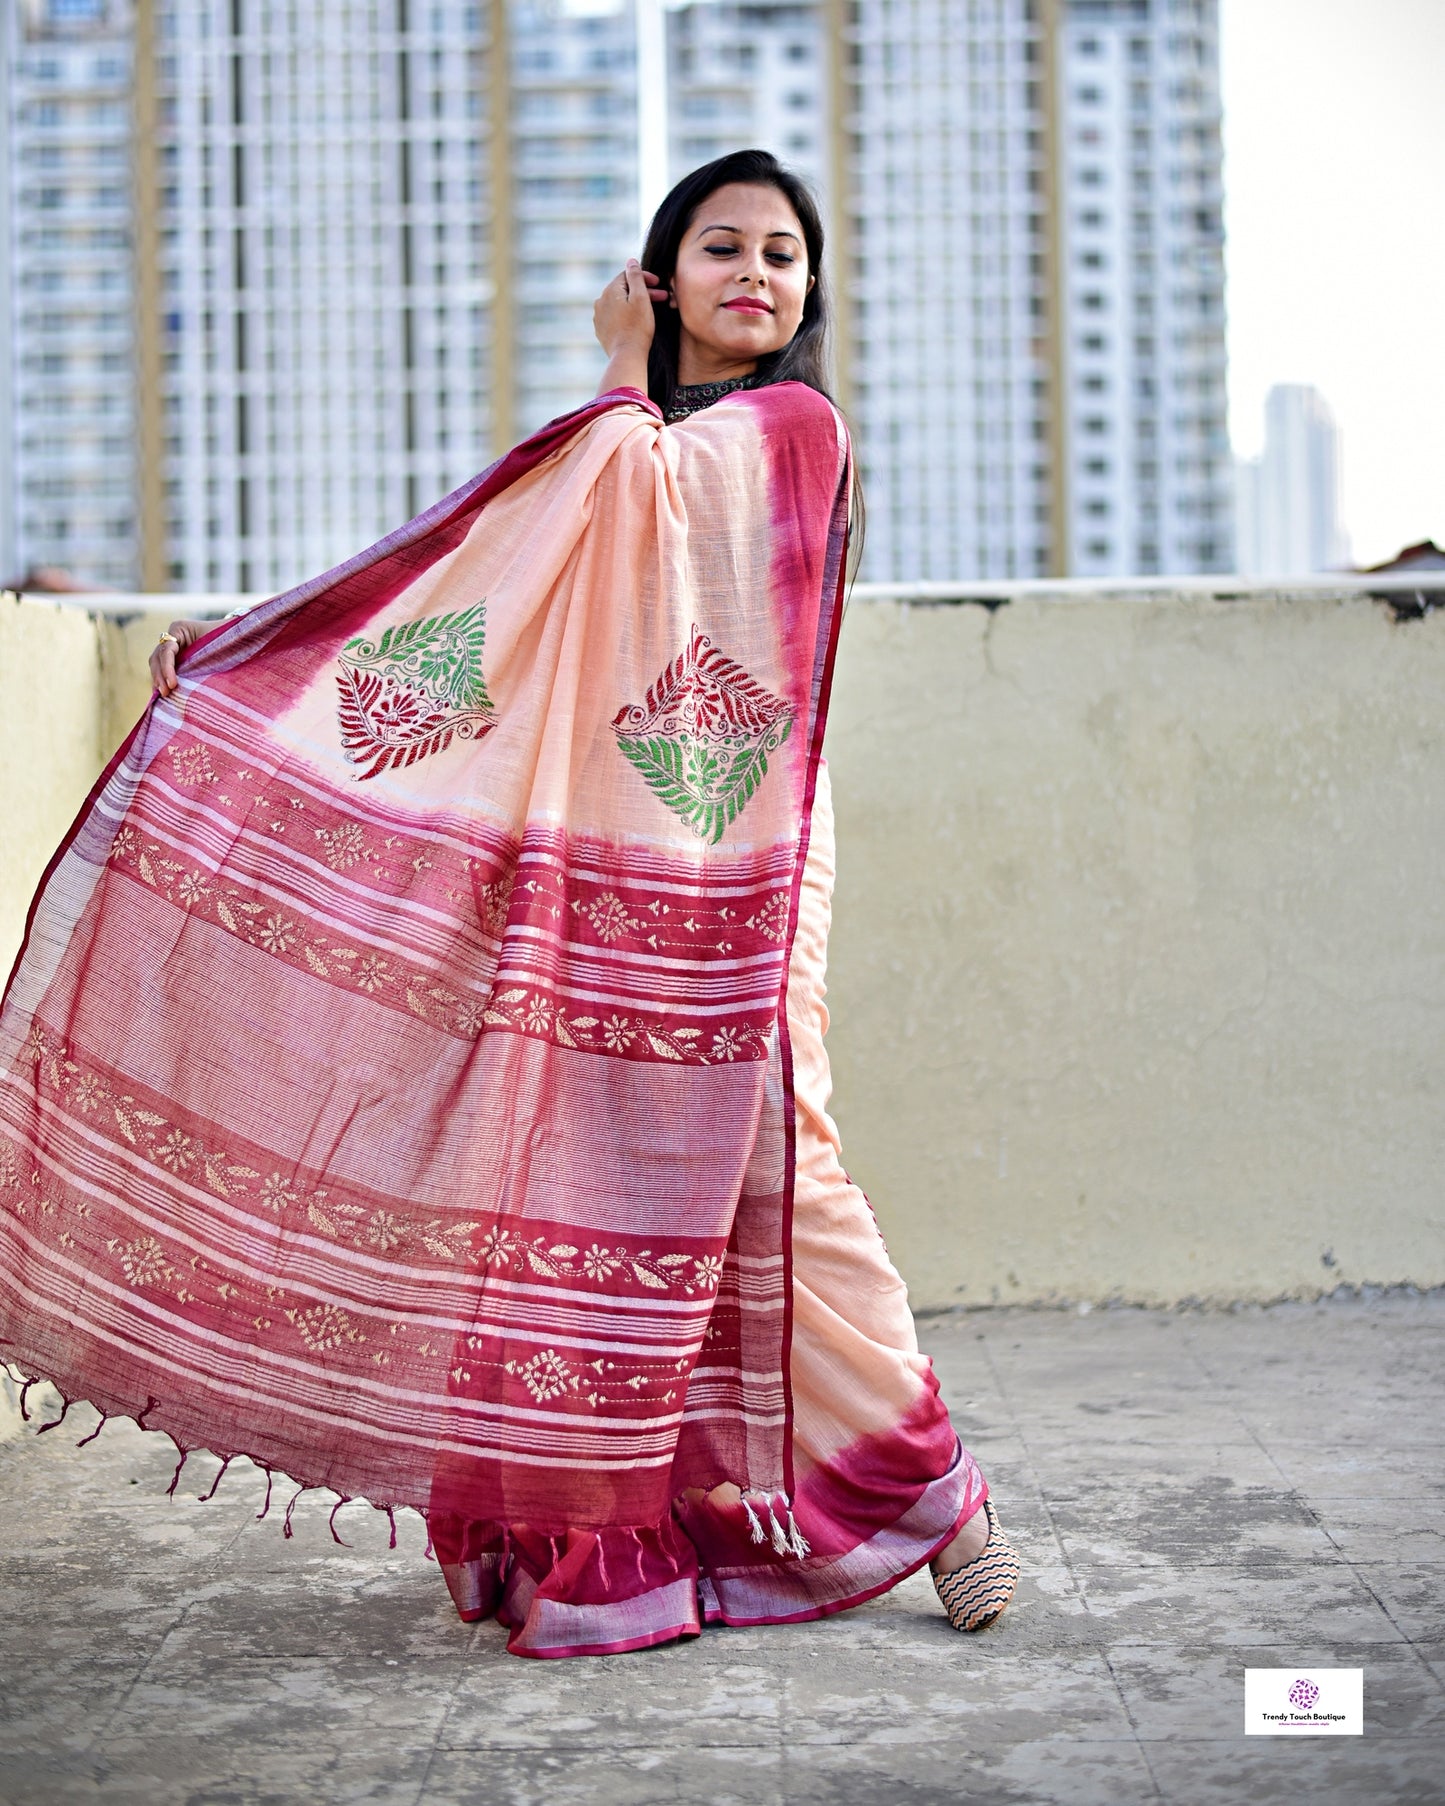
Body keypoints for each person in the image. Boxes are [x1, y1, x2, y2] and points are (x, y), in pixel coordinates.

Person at [0, 152, 1016, 1658]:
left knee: (782, 1173)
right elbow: (464, 603)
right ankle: (606, 1535)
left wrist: (617, 369)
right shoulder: (609, 441)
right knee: (575, 1186)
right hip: (572, 871)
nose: (757, 272)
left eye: (784, 256)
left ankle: (937, 1500)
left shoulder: (790, 429)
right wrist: (260, 654)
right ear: (662, 273)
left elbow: (644, 497)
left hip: (730, 868)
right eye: (720, 245)